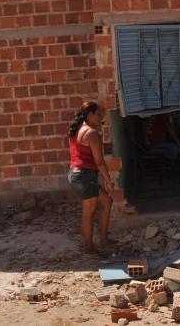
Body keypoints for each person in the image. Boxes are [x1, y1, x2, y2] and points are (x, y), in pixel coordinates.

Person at [68, 101, 119, 254]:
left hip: (76, 174)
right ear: (90, 115)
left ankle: (104, 240)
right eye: (98, 115)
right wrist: (108, 181)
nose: (100, 119)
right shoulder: (91, 133)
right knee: (88, 214)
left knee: (107, 202)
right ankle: (89, 249)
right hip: (85, 176)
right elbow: (99, 162)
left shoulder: (77, 128)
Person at [144, 112, 180, 184]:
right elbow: (171, 130)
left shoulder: (155, 115)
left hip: (153, 146)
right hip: (154, 148)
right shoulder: (161, 115)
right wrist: (179, 144)